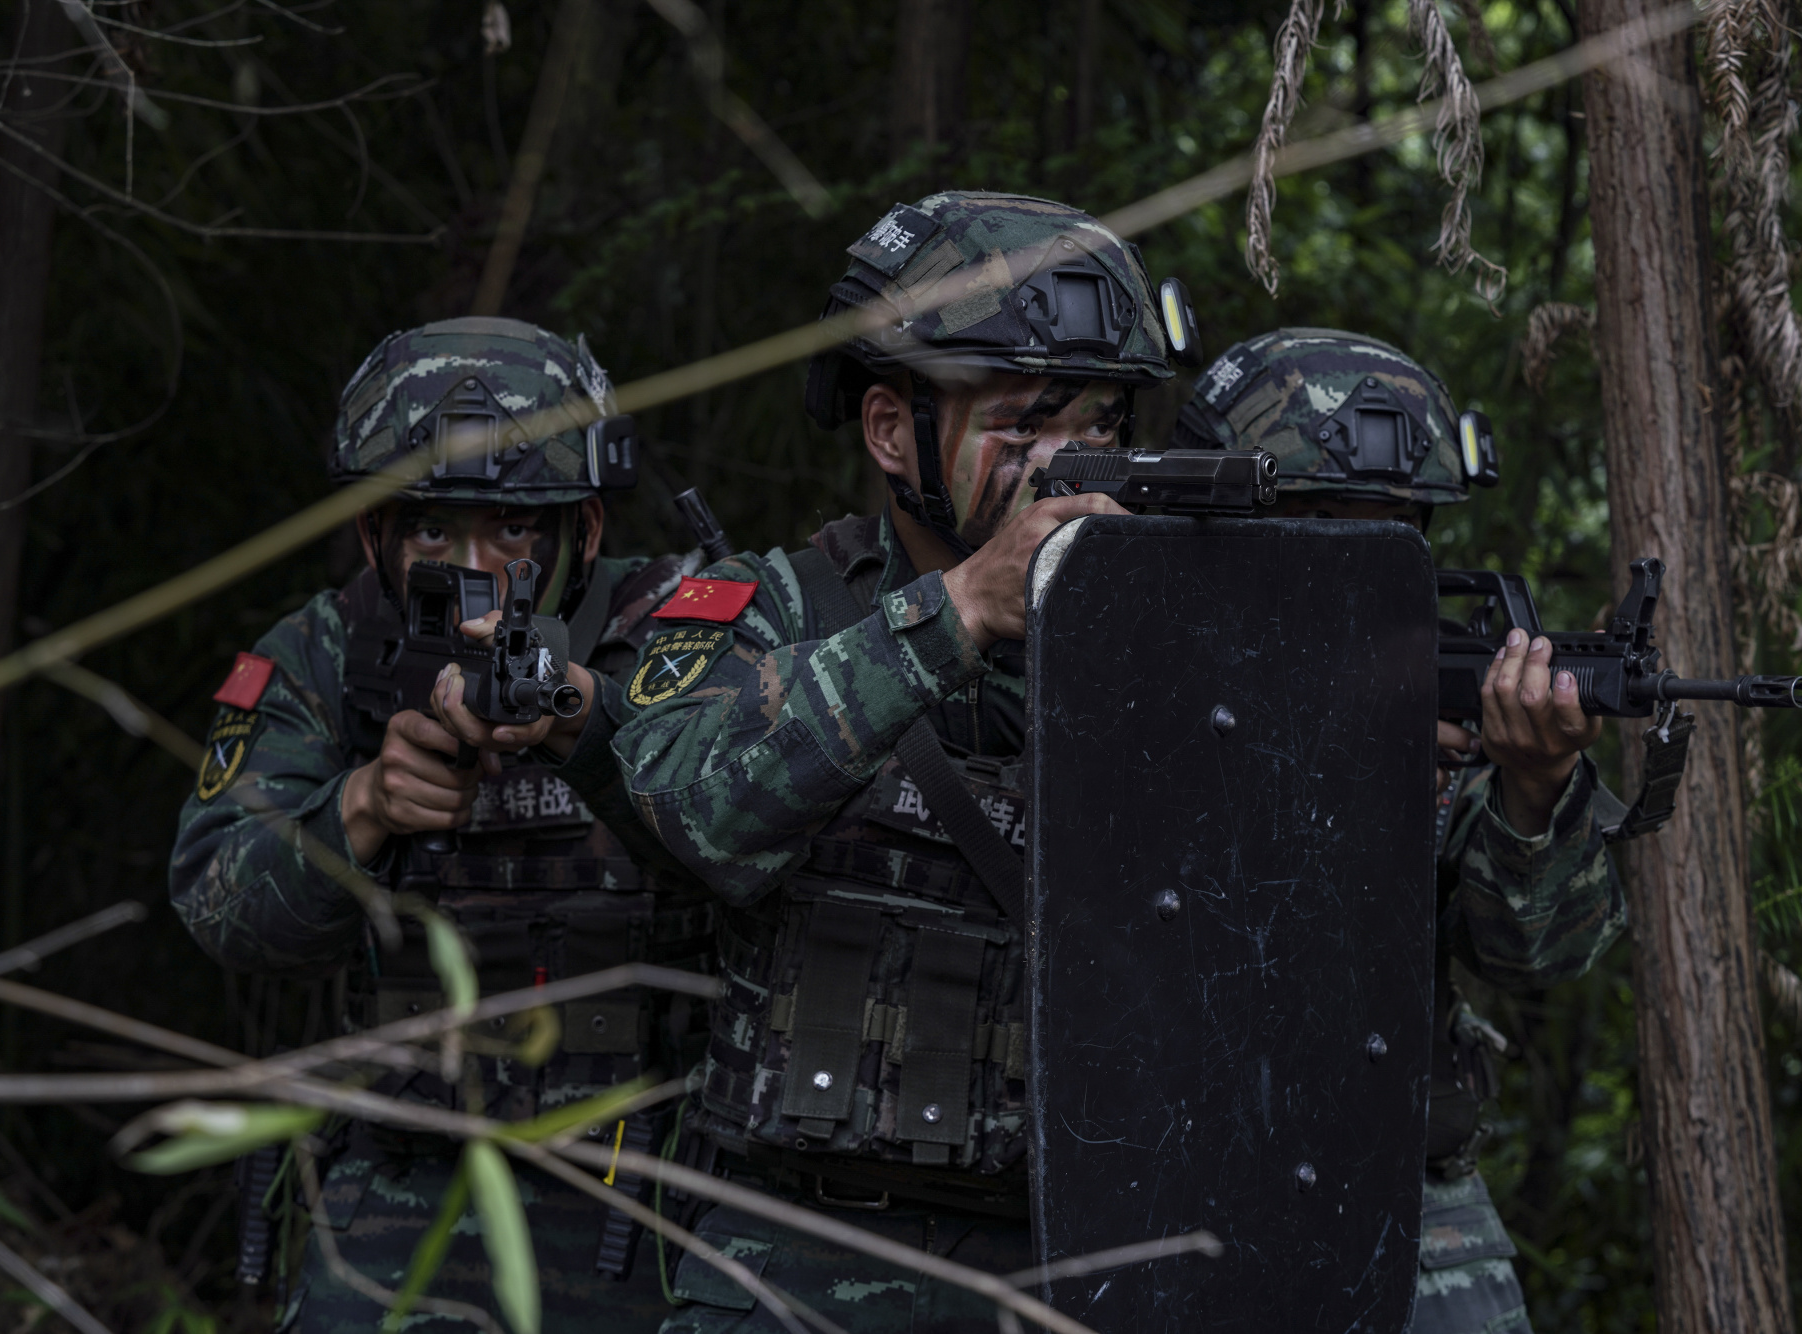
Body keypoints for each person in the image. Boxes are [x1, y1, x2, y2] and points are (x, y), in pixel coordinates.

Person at [431, 192, 1180, 1332]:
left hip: (1083, 1258)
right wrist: (962, 611)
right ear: (891, 430)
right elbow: (689, 809)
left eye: (1100, 424)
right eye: (1023, 424)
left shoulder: (1180, 644)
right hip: (794, 1264)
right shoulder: (758, 607)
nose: (1067, 463)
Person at [169, 316, 714, 1330]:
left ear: (582, 528)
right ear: (376, 534)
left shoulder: (679, 634)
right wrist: (360, 811)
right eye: (430, 530)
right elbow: (219, 906)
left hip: (646, 1180)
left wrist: (592, 725)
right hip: (407, 1171)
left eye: (512, 530)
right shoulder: (323, 655)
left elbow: (758, 822)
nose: (471, 568)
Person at [1172, 327, 1628, 1334]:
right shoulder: (1132, 666)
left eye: (1389, 533)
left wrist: (1531, 787)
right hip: (1170, 1193)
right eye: (1314, 525)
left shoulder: (1429, 702)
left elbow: (1540, 950)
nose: (1352, 566)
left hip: (1396, 1199)